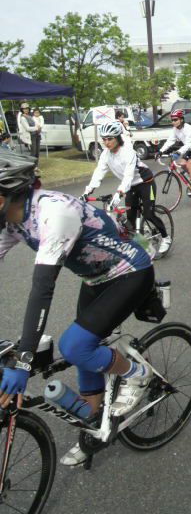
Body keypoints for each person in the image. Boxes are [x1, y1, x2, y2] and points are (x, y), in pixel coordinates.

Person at [0, 150, 157, 466]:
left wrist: (24, 358)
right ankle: (97, 425)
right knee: (85, 348)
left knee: (75, 345)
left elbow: (42, 289)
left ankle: (139, 374)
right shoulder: (12, 222)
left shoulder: (53, 213)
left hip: (130, 273)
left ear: (6, 194)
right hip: (95, 278)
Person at [83, 121, 171, 256]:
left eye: (110, 139)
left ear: (118, 138)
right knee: (130, 220)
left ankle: (166, 238)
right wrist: (88, 191)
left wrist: (119, 193)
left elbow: (128, 177)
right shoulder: (106, 154)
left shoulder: (128, 152)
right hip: (131, 187)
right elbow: (99, 172)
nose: (107, 142)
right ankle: (143, 245)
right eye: (104, 139)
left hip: (146, 182)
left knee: (149, 213)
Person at [159, 109, 191, 196]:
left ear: (181, 119)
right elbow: (170, 141)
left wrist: (178, 152)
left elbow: (188, 145)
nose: (173, 122)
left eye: (175, 120)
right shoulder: (175, 129)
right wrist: (160, 151)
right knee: (182, 163)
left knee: (190, 163)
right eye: (172, 120)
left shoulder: (189, 129)